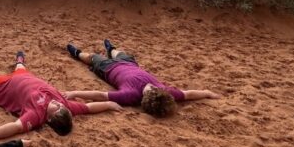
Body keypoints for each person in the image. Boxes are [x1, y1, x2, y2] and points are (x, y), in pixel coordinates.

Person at [0, 50, 122, 145]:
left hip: (4, 87)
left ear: (48, 119)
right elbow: (89, 107)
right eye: (61, 107)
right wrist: (109, 104)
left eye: (56, 109)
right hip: (25, 77)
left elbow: (15, 127)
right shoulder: (67, 106)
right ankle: (19, 62)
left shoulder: (36, 115)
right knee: (20, 68)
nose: (58, 104)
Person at [65, 39, 221, 117]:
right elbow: (189, 94)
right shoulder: (166, 92)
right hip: (129, 64)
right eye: (156, 88)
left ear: (145, 97)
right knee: (120, 54)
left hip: (108, 68)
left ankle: (77, 53)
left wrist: (74, 93)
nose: (152, 86)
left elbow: (100, 95)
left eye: (151, 90)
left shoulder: (130, 95)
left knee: (93, 57)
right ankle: (111, 49)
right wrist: (207, 93)